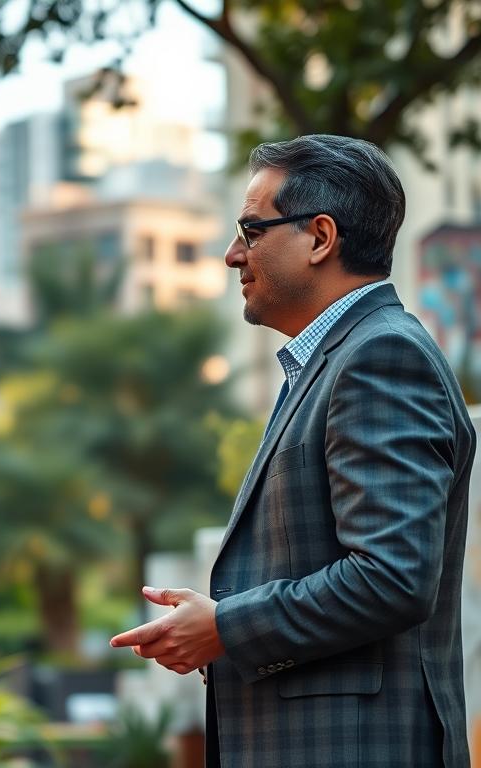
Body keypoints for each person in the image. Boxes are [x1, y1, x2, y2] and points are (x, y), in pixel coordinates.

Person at [110, 135, 475, 767]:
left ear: (320, 238)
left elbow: (392, 577)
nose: (232, 255)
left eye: (251, 230)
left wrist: (226, 626)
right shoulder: (340, 361)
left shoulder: (379, 358)